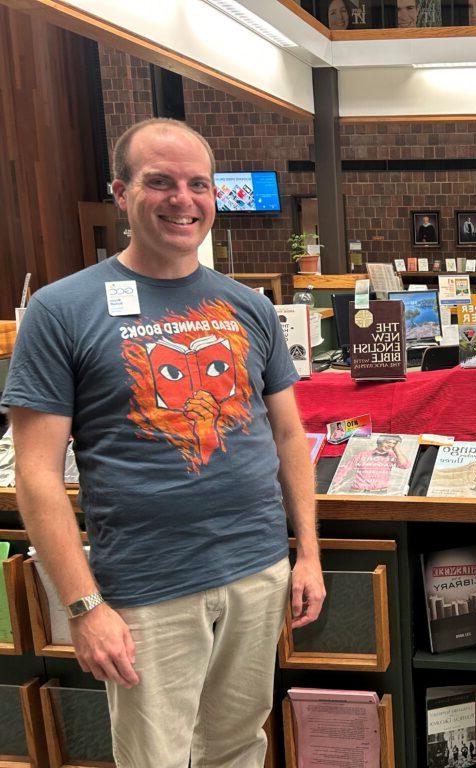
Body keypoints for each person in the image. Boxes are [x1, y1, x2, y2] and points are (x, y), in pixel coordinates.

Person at [2, 118, 325, 766]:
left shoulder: (249, 307)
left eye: (197, 184)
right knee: (156, 756)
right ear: (120, 192)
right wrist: (84, 605)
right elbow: (36, 474)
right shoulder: (62, 311)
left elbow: (289, 434)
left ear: (214, 197)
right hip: (148, 587)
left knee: (238, 745)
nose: (182, 198)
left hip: (257, 571)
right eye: (160, 182)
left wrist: (307, 554)